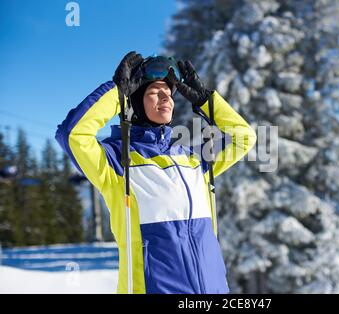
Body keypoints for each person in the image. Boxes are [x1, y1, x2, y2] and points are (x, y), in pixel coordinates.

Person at [55, 52, 257, 294]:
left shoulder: (194, 160)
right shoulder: (117, 163)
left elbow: (245, 138)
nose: (166, 97)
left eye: (169, 92)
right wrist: (117, 94)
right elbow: (73, 134)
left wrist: (206, 101)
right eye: (154, 92)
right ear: (136, 102)